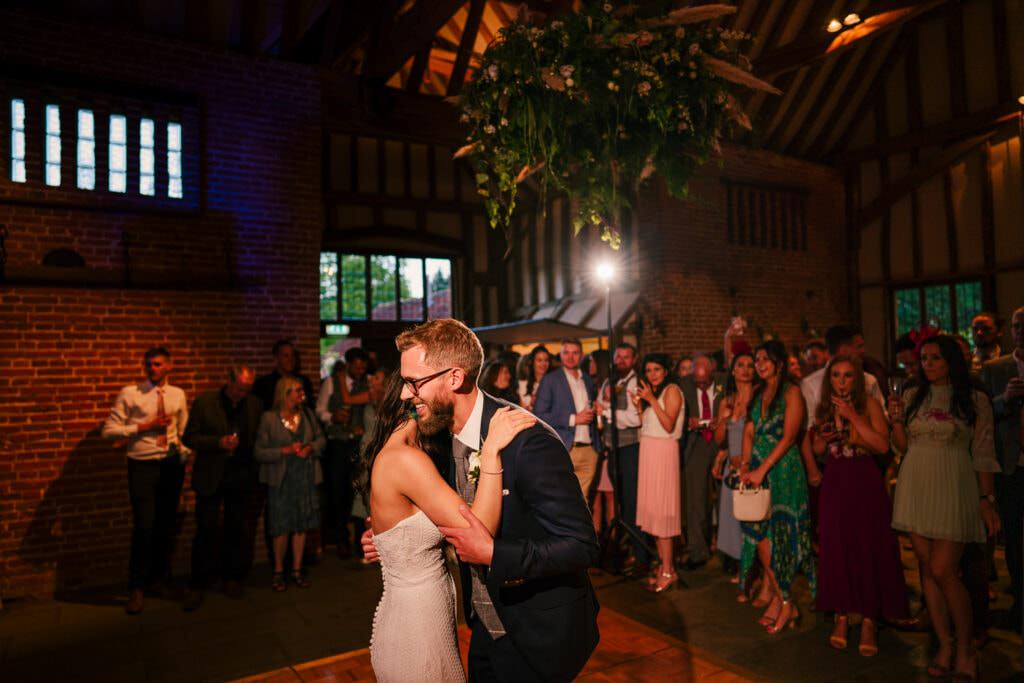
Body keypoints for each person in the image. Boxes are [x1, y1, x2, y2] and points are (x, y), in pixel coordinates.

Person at [363, 318, 600, 682]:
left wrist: (494, 554)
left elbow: (581, 545)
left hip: (537, 633)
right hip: (484, 629)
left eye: (415, 382)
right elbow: (446, 514)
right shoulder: (436, 437)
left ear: (454, 378)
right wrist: (399, 536)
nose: (406, 395)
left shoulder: (528, 442)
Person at [364, 370, 535, 682]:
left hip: (422, 614)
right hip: (416, 626)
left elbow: (414, 525)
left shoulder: (412, 451)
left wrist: (387, 540)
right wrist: (491, 453)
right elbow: (478, 531)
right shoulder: (405, 459)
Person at [890, 335, 1001, 679]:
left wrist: (986, 500)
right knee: (927, 569)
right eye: (924, 358)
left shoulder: (974, 399)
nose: (927, 364)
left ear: (951, 360)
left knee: (943, 569)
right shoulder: (913, 395)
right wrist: (895, 420)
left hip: (954, 484)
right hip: (916, 484)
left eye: (935, 358)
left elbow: (983, 452)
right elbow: (902, 447)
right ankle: (944, 645)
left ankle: (966, 647)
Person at [810, 356, 908, 656]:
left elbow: (882, 445)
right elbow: (818, 449)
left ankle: (868, 619)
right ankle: (841, 615)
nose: (841, 381)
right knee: (837, 547)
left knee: (867, 546)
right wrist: (822, 437)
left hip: (864, 480)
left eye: (848, 375)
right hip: (836, 481)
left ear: (857, 380)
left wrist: (853, 416)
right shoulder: (825, 408)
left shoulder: (870, 405)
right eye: (836, 375)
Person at [102, 347, 190, 615]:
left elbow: (182, 427)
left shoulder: (177, 394)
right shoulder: (131, 393)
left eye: (158, 364)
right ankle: (136, 587)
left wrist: (183, 451)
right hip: (142, 465)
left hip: (170, 465)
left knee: (165, 525)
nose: (152, 368)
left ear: (169, 366)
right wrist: (143, 427)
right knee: (144, 526)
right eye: (149, 364)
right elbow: (109, 432)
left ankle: (159, 581)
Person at [739, 340, 815, 634]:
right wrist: (747, 464)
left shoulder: (791, 392)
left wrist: (762, 469)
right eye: (756, 359)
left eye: (764, 359)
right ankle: (782, 600)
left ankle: (784, 602)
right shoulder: (759, 394)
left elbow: (789, 437)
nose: (758, 364)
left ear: (779, 363)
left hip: (783, 470)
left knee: (780, 540)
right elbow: (749, 430)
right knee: (762, 539)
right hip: (759, 469)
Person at [182, 364, 263, 610]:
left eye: (247, 389)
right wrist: (218, 442)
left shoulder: (254, 405)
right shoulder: (206, 402)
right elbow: (189, 437)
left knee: (236, 528)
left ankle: (231, 578)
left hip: (240, 476)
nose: (242, 394)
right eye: (239, 388)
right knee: (206, 528)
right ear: (229, 381)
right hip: (211, 476)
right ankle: (198, 583)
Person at [254, 377, 326, 591]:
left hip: (305, 477)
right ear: (285, 393)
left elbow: (321, 440)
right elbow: (258, 451)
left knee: (301, 526)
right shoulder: (269, 418)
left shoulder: (307, 414)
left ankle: (296, 570)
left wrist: (310, 448)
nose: (301, 394)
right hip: (281, 481)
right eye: (297, 390)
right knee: (281, 527)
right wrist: (283, 451)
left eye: (302, 390)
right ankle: (278, 571)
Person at [980, 306, 1024, 629]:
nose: (1021, 331)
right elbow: (982, 414)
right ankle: (1020, 605)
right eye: (1016, 326)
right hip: (1012, 465)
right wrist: (1005, 399)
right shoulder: (996, 369)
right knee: (1015, 541)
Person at [633, 353, 686, 593]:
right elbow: (646, 426)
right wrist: (639, 406)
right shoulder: (653, 394)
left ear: (666, 371)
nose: (652, 374)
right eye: (648, 370)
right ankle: (667, 567)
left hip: (664, 454)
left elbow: (668, 425)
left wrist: (651, 399)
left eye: (656, 369)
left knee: (663, 514)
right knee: (654, 514)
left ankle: (667, 569)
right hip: (649, 453)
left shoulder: (672, 391)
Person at [598, 342, 649, 571]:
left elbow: (635, 419)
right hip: (613, 450)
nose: (621, 361)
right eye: (618, 356)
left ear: (634, 360)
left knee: (632, 502)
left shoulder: (635, 382)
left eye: (626, 357)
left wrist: (607, 411)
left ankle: (641, 555)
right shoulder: (609, 382)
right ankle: (629, 550)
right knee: (622, 504)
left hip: (630, 449)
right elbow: (600, 407)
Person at [316, 348, 370, 558]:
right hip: (337, 444)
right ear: (348, 365)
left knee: (356, 491)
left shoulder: (367, 384)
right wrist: (332, 416)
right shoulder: (331, 383)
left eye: (363, 368)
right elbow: (320, 410)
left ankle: (358, 540)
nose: (360, 371)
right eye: (356, 367)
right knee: (337, 492)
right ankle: (341, 540)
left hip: (358, 444)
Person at [712, 350, 757, 587]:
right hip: (732, 466)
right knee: (733, 518)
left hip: (752, 465)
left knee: (751, 518)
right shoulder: (727, 400)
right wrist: (723, 419)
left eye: (750, 365)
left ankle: (754, 569)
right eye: (740, 365)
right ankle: (741, 565)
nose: (746, 369)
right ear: (733, 370)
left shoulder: (759, 397)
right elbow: (720, 440)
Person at [534, 338, 601, 496]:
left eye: (575, 353)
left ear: (582, 355)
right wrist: (573, 419)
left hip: (589, 450)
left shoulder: (587, 379)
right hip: (565, 448)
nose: (570, 357)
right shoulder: (550, 380)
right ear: (561, 355)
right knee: (564, 498)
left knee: (584, 500)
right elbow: (539, 415)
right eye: (566, 353)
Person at [679, 353, 725, 570]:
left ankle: (727, 551)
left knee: (724, 499)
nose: (701, 385)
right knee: (696, 500)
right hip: (696, 442)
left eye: (705, 381)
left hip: (721, 443)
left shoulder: (724, 383)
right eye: (697, 381)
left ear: (712, 371)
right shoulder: (684, 386)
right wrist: (688, 422)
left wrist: (722, 420)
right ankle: (698, 551)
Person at [254, 339, 315, 410]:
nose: (290, 359)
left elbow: (309, 407)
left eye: (292, 355)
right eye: (286, 356)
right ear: (276, 359)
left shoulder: (304, 381)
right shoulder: (263, 384)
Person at [516, 345, 551, 411]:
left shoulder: (554, 383)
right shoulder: (523, 384)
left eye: (546, 360)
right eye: (539, 360)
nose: (543, 364)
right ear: (532, 362)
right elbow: (521, 411)